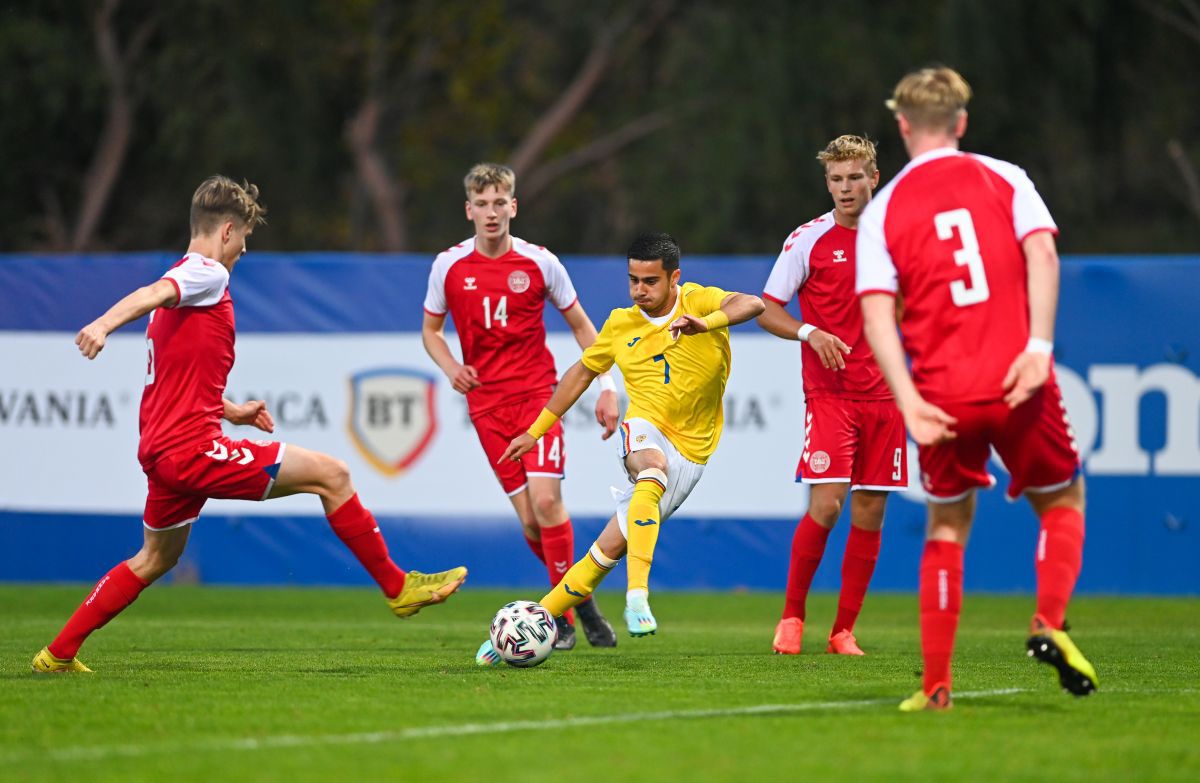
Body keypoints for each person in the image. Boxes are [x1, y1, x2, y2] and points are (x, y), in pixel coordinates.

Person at [31, 176, 466, 674]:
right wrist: (102, 324)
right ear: (227, 231)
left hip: (161, 449)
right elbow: (153, 291)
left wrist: (231, 409)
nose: (241, 252)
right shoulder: (206, 273)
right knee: (333, 474)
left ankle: (57, 654)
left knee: (154, 559)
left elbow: (182, 377)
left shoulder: (187, 278)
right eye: (242, 241)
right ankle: (397, 588)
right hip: (190, 449)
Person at [856, 66, 1098, 710]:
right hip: (1016, 379)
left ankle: (936, 687)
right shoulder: (1006, 177)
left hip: (941, 395)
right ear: (961, 122)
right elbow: (1043, 256)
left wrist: (908, 400)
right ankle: (1048, 620)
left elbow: (877, 315)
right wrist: (1040, 348)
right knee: (1063, 498)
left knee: (945, 526)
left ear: (903, 126)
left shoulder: (882, 212)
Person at [475, 232, 765, 665]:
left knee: (607, 548)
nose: (639, 291)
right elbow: (579, 373)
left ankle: (523, 629)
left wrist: (707, 323)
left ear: (674, 278)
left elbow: (753, 304)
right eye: (633, 280)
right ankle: (637, 596)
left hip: (695, 451)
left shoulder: (700, 301)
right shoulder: (619, 324)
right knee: (651, 468)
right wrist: (536, 431)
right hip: (645, 427)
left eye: (650, 281)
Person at [422, 163, 618, 650]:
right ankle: (581, 601)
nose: (491, 213)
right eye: (482, 204)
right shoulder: (449, 266)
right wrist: (451, 368)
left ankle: (562, 619)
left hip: (538, 399)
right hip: (488, 409)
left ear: (514, 206)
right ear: (469, 211)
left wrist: (607, 385)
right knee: (532, 520)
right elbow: (430, 331)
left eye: (499, 202)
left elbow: (582, 328)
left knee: (549, 503)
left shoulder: (540, 263)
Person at [759, 135, 907, 656]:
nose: (845, 188)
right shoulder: (808, 239)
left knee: (869, 514)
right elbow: (767, 306)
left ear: (874, 178)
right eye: (836, 179)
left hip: (886, 397)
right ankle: (791, 618)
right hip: (830, 395)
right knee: (826, 504)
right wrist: (809, 333)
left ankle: (843, 630)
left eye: (854, 178)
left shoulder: (897, 236)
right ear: (828, 184)